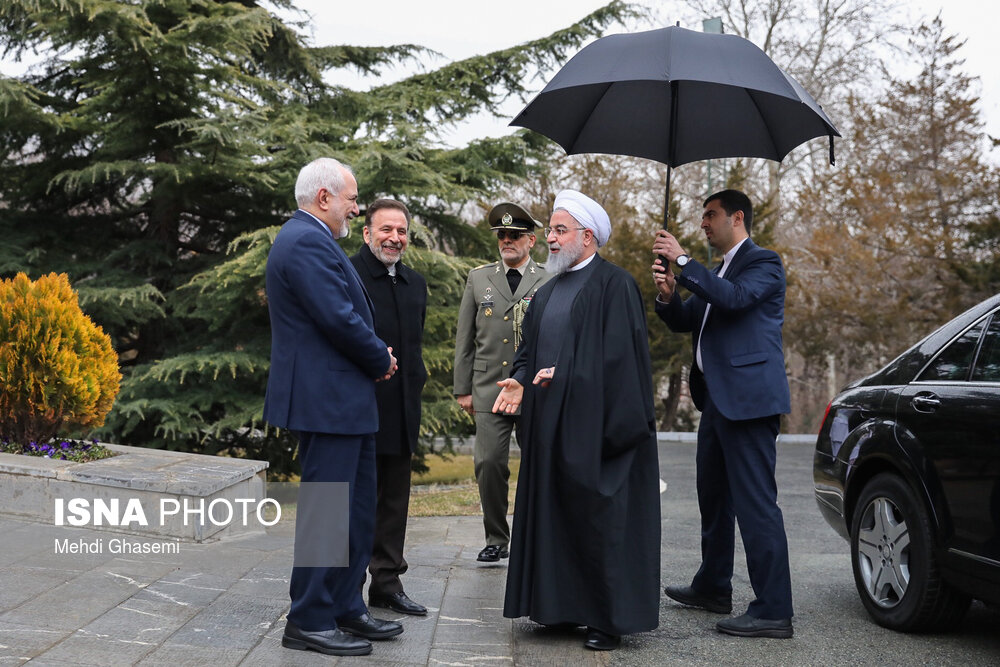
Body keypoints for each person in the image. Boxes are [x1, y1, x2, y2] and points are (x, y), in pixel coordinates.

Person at [493, 190, 660, 651]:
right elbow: (529, 353)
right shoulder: (546, 292)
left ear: (587, 237)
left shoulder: (616, 285)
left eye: (558, 230)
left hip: (596, 433)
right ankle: (561, 608)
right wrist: (520, 380)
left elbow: (620, 363)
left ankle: (604, 619)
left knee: (597, 523)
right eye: (550, 229)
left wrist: (564, 377)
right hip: (550, 429)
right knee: (557, 519)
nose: (548, 237)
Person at [263, 157, 404, 657]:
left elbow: (342, 315)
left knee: (357, 510)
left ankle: (346, 606)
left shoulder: (312, 239)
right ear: (324, 197)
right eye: (351, 198)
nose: (355, 207)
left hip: (344, 400)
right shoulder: (303, 241)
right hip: (326, 401)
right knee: (327, 513)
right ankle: (309, 618)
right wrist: (379, 356)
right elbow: (337, 318)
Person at [651, 189, 794, 639]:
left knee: (755, 506)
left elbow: (734, 299)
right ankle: (713, 586)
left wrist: (684, 261)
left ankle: (774, 610)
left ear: (737, 217)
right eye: (701, 216)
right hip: (716, 402)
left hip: (750, 404)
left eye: (710, 215)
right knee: (713, 498)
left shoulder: (763, 263)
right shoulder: (718, 272)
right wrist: (669, 293)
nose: (703, 223)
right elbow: (684, 320)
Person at [453, 202, 550, 562]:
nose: (506, 241)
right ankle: (496, 536)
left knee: (538, 462)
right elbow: (465, 337)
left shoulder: (549, 278)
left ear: (531, 241)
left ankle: (534, 534)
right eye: (502, 236)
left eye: (514, 236)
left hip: (533, 388)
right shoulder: (479, 278)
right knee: (489, 463)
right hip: (489, 387)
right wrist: (462, 388)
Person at [349, 198, 429, 616]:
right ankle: (336, 591)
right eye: (385, 230)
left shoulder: (416, 283)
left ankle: (386, 583)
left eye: (401, 231)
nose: (394, 238)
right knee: (344, 500)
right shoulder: (348, 274)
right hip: (353, 409)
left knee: (394, 500)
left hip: (400, 410)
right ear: (367, 233)